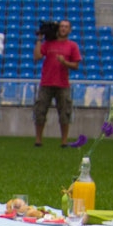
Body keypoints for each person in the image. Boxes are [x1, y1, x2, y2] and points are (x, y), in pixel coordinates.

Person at [32, 19, 81, 147]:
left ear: (69, 30)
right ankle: (38, 140)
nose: (63, 29)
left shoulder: (72, 46)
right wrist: (39, 39)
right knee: (40, 111)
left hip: (62, 84)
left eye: (66, 27)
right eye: (61, 26)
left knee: (64, 112)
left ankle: (64, 141)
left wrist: (65, 62)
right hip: (47, 82)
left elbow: (76, 65)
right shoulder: (49, 44)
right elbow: (37, 56)